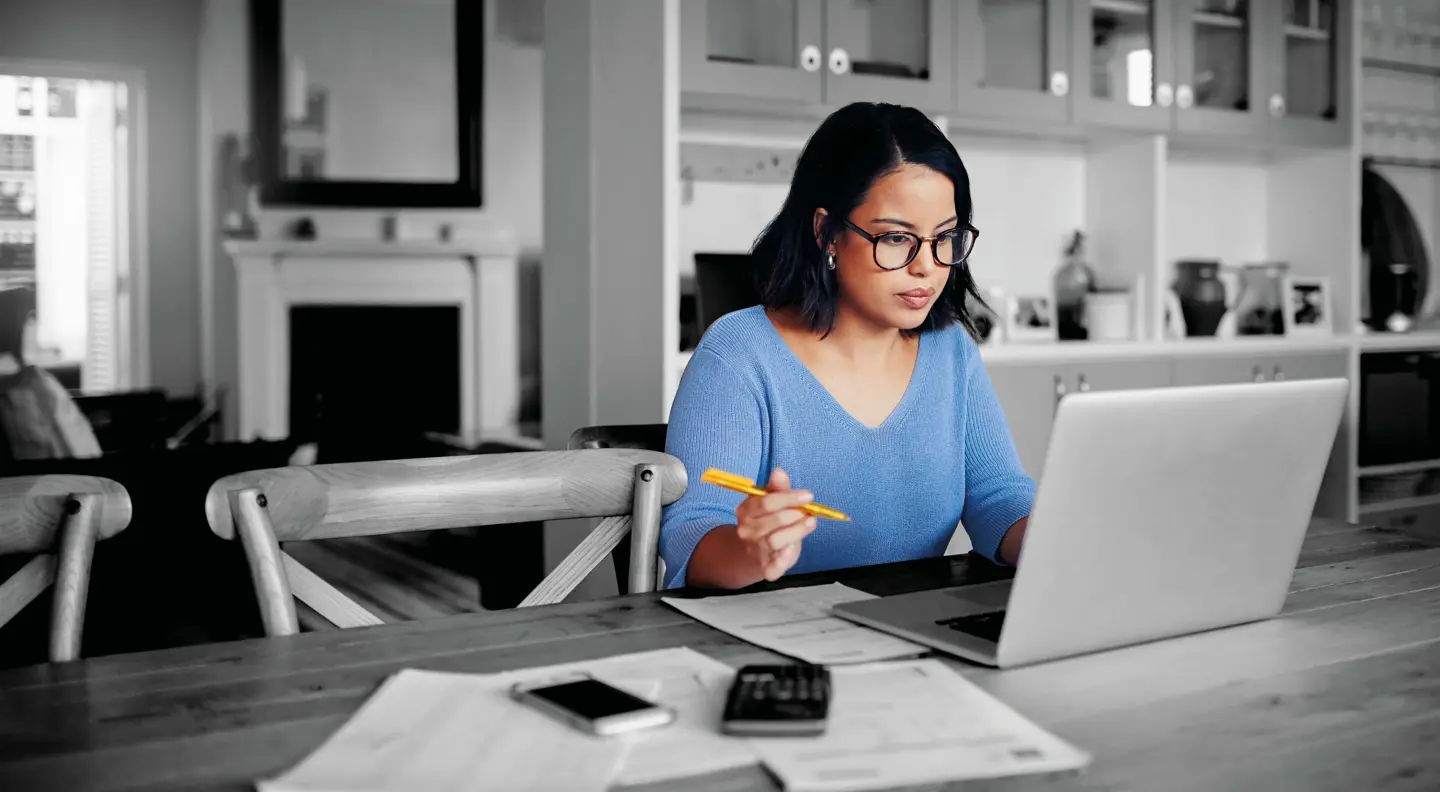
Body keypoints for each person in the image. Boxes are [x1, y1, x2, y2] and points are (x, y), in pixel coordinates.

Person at [660, 102, 1036, 590]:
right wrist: (748, 550)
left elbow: (997, 497)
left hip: (904, 634)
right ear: (828, 233)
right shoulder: (739, 354)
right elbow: (693, 538)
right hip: (767, 648)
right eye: (897, 238)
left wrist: (1061, 539)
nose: (927, 266)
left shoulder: (951, 352)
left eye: (945, 238)